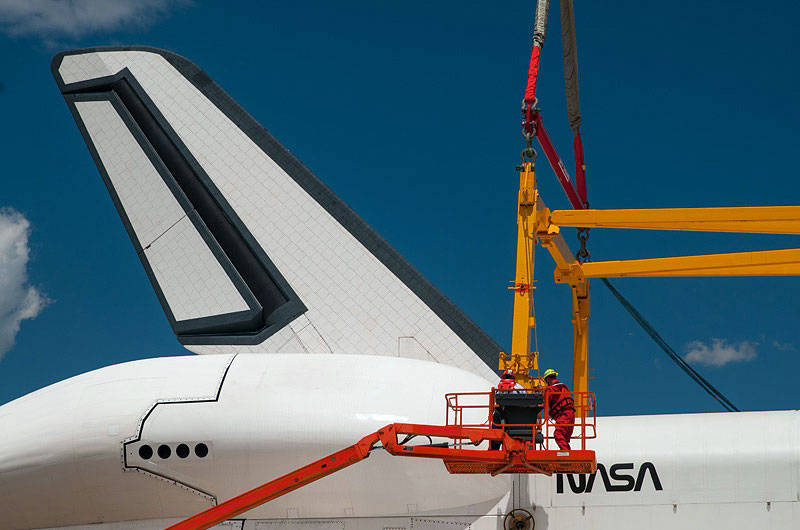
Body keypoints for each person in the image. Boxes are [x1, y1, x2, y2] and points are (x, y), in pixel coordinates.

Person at [543, 368, 575, 450]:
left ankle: (566, 454)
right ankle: (568, 453)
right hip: (571, 415)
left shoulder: (550, 389)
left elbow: (546, 401)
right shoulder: (565, 387)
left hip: (563, 415)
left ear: (547, 379)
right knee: (565, 438)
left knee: (558, 434)